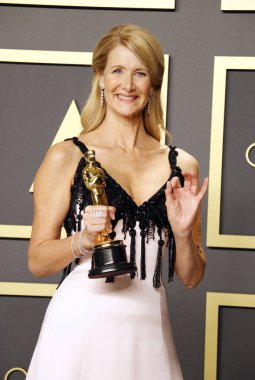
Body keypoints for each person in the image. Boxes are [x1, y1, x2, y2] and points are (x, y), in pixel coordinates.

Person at [26, 24, 208, 380]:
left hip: (150, 335)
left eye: (140, 73)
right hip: (78, 329)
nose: (127, 85)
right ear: (101, 78)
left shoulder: (181, 164)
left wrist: (183, 234)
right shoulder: (66, 156)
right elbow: (36, 261)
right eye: (118, 71)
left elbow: (190, 277)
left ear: (153, 84)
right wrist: (84, 240)